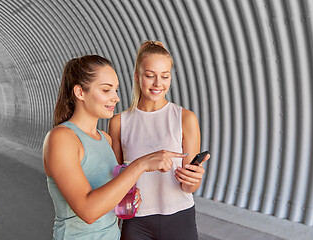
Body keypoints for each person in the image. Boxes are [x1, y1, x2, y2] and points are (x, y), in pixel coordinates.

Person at [43, 55, 187, 240]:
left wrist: (127, 195)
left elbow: (106, 199)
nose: (116, 98)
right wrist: (140, 165)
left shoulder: (106, 139)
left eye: (116, 90)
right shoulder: (62, 138)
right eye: (106, 90)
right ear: (80, 93)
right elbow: (88, 211)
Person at [108, 41, 210, 240]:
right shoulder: (119, 123)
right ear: (137, 77)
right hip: (136, 222)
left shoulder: (185, 118)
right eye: (150, 76)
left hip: (180, 218)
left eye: (165, 76)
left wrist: (193, 180)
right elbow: (116, 179)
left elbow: (188, 188)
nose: (158, 84)